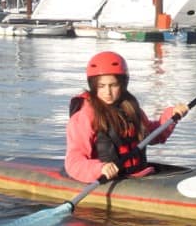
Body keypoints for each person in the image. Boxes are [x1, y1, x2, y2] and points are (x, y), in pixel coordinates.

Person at [64, 51, 189, 183]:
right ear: (93, 86)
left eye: (113, 85)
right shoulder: (84, 116)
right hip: (109, 179)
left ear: (123, 84)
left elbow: (153, 135)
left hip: (139, 175)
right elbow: (74, 161)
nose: (108, 92)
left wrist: (172, 116)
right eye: (101, 86)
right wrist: (99, 169)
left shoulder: (130, 108)